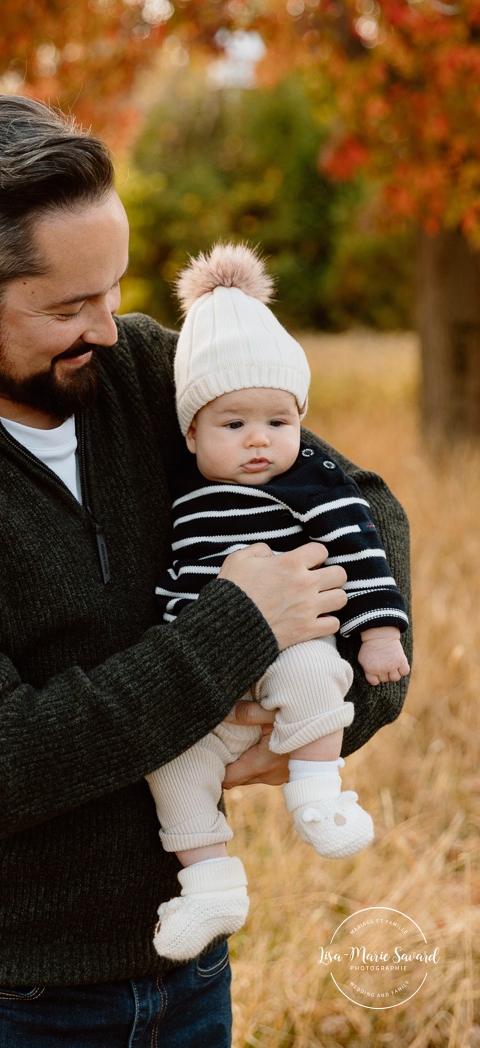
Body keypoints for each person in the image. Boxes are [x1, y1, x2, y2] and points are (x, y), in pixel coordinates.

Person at [0, 94, 412, 1048]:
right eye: (68, 305)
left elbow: (359, 503)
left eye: (115, 287)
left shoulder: (141, 373)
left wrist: (332, 719)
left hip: (184, 972)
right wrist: (235, 627)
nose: (110, 327)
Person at [146, 242, 410, 963]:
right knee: (170, 764)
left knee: (311, 674)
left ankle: (318, 792)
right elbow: (171, 579)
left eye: (279, 422)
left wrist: (381, 633)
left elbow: (361, 554)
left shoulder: (310, 486)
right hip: (201, 671)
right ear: (191, 432)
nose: (259, 440)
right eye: (234, 426)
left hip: (288, 643)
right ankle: (208, 884)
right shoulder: (180, 492)